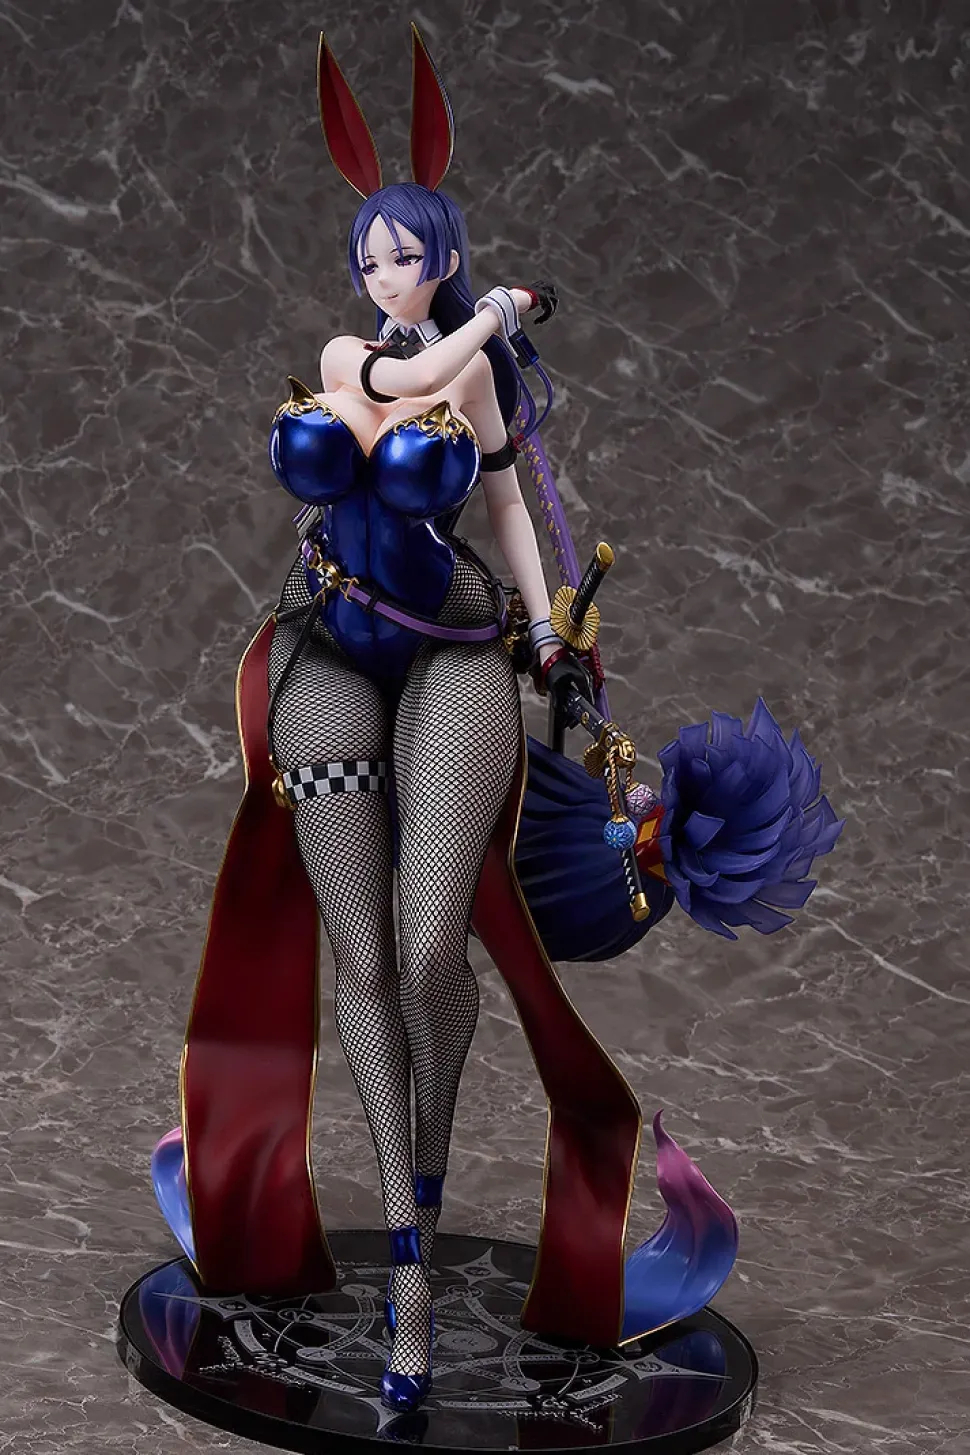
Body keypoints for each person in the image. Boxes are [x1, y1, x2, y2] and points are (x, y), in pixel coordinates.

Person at [151, 26, 843, 1415]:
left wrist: (551, 633)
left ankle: (417, 1211)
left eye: (406, 254)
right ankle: (408, 1275)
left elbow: (516, 506)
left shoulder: (480, 378)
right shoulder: (357, 354)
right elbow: (395, 394)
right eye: (368, 257)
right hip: (326, 656)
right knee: (357, 956)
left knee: (428, 951)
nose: (382, 276)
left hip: (456, 655)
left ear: (444, 251)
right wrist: (494, 317)